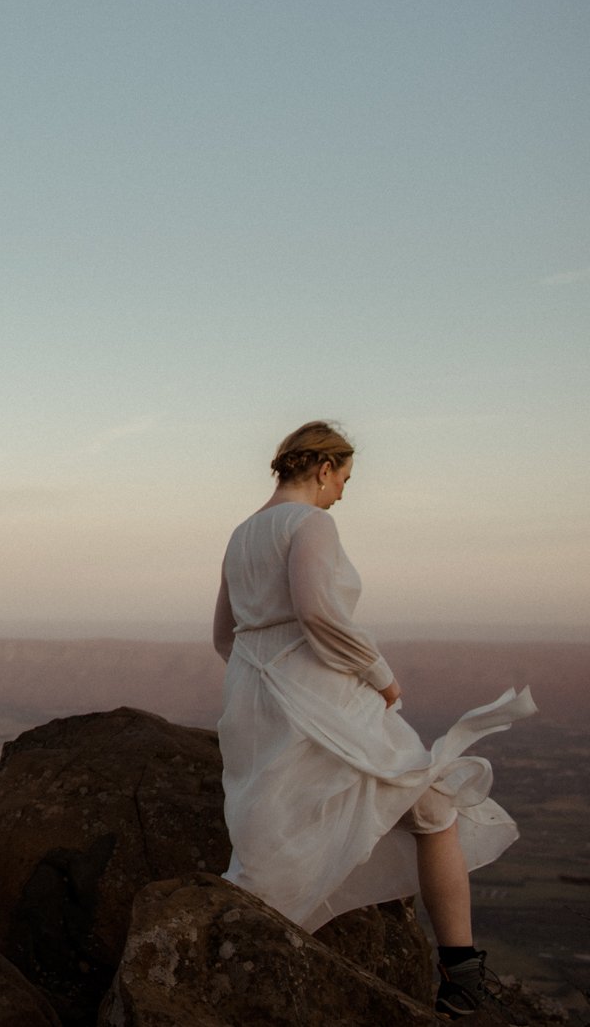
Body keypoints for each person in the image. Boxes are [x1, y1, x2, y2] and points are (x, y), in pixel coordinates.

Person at [212, 421, 535, 1021]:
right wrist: (379, 675)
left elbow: (221, 636)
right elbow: (317, 611)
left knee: (283, 826)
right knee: (436, 806)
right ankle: (461, 980)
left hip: (255, 698)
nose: (343, 494)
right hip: (326, 696)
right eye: (345, 479)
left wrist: (264, 682)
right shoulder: (311, 523)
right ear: (323, 470)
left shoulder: (240, 535)